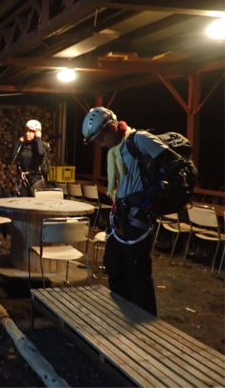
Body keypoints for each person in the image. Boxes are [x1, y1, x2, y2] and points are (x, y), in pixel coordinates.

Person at [82, 107, 181, 316]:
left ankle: (144, 323)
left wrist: (151, 195)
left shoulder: (139, 140)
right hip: (123, 214)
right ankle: (122, 313)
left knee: (136, 271)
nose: (101, 144)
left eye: (102, 139)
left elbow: (175, 164)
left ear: (111, 128)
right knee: (113, 263)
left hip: (139, 216)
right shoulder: (117, 151)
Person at [10, 119, 47, 196]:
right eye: (26, 131)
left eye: (30, 131)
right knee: (23, 202)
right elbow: (13, 156)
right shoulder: (23, 145)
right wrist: (19, 142)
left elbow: (40, 153)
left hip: (36, 179)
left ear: (36, 132)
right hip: (24, 179)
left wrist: (38, 138)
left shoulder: (40, 145)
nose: (27, 134)